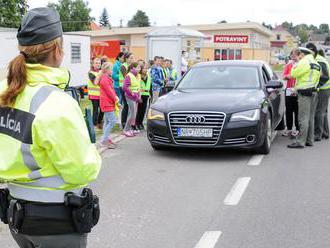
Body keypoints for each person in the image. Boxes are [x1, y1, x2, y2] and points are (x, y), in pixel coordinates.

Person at [0, 7, 101, 247]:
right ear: (58, 50)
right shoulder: (57, 102)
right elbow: (81, 171)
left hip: (17, 216)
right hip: (56, 223)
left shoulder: (5, 90)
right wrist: (92, 152)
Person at [288, 44, 321, 149]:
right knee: (311, 118)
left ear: (302, 54)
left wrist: (295, 64)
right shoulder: (316, 64)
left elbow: (293, 73)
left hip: (305, 93)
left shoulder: (304, 62)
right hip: (315, 92)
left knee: (303, 118)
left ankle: (301, 142)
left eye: (299, 55)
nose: (298, 57)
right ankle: (310, 140)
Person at [282, 49, 300, 137]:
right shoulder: (288, 65)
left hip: (298, 90)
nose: (293, 57)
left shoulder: (301, 65)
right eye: (292, 55)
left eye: (295, 55)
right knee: (288, 110)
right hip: (289, 90)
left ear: (299, 55)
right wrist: (287, 77)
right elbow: (283, 76)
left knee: (297, 110)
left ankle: (297, 129)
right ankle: (289, 128)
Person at [99, 62, 117, 149]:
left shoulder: (106, 79)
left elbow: (111, 91)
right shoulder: (105, 80)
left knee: (107, 122)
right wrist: (116, 100)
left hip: (107, 103)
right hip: (107, 103)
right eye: (111, 69)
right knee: (112, 121)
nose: (112, 71)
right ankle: (103, 140)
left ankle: (106, 138)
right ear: (107, 70)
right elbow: (110, 92)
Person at [314, 49, 330, 141]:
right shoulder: (321, 59)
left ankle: (318, 134)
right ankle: (325, 133)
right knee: (323, 111)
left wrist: (317, 85)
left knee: (319, 112)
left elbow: (325, 76)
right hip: (325, 88)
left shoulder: (319, 60)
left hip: (323, 89)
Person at [123, 62, 141, 137]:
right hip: (130, 97)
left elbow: (137, 87)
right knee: (132, 114)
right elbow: (125, 87)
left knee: (133, 113)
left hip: (135, 97)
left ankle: (129, 129)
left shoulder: (135, 75)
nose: (139, 69)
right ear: (132, 68)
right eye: (138, 67)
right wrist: (133, 94)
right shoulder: (129, 75)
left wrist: (138, 95)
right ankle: (126, 130)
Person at [120, 52, 135, 129]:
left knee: (130, 106)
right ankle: (123, 122)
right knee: (125, 105)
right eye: (131, 58)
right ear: (126, 59)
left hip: (130, 88)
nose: (133, 59)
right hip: (123, 88)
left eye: (133, 57)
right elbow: (127, 77)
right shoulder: (123, 66)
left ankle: (128, 123)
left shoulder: (132, 66)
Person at [88, 57, 103, 128]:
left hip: (101, 95)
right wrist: (100, 75)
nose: (98, 64)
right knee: (95, 110)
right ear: (93, 64)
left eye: (99, 63)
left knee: (102, 109)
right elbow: (95, 82)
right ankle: (94, 124)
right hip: (94, 95)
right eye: (96, 63)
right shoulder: (90, 73)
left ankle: (99, 122)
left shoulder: (101, 72)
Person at [136, 61, 152, 130]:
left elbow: (150, 86)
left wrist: (151, 95)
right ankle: (137, 123)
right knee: (139, 110)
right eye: (144, 68)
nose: (145, 70)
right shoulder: (138, 77)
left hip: (146, 95)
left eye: (146, 68)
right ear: (141, 69)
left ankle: (141, 123)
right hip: (140, 95)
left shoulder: (148, 76)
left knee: (143, 110)